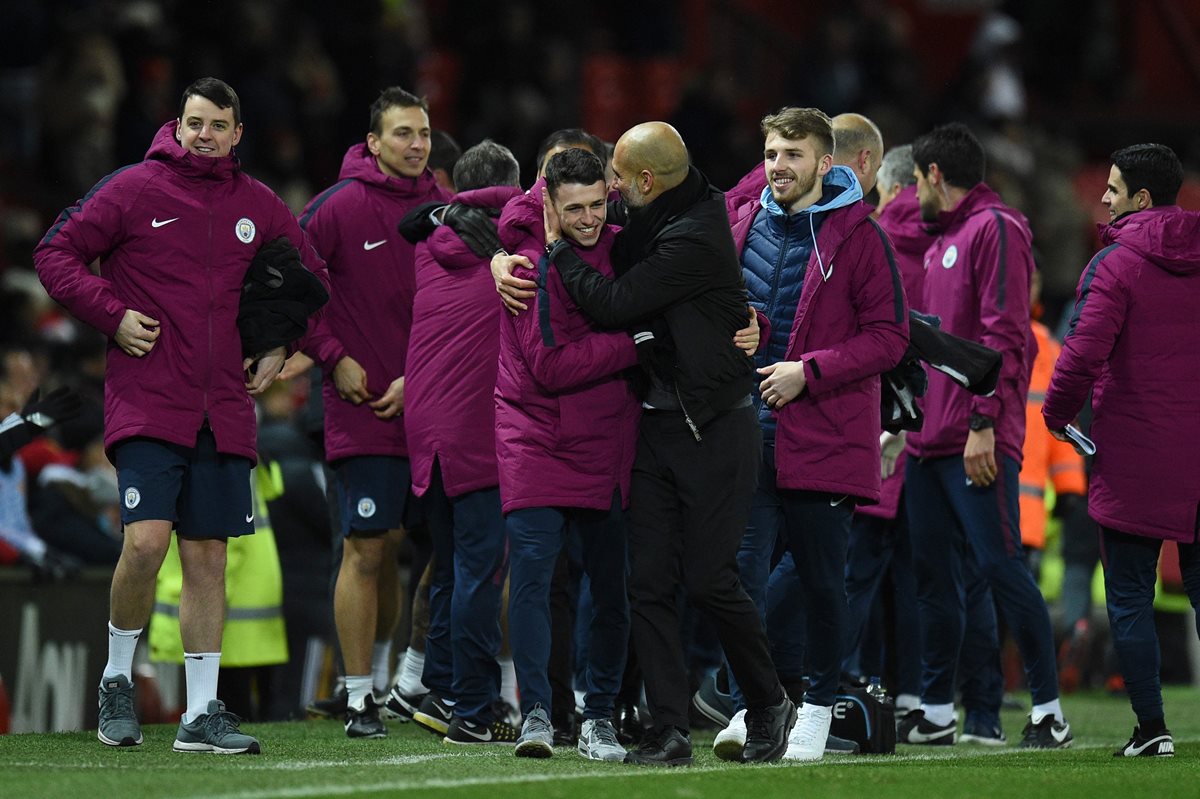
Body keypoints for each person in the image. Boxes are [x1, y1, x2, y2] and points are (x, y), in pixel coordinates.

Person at [34, 76, 328, 754]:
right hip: (147, 397)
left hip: (224, 407)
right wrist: (112, 314)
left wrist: (283, 346)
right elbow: (54, 252)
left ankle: (200, 713)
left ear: (236, 132)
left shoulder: (257, 203)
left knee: (207, 556)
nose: (204, 135)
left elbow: (312, 281)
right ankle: (115, 677)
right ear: (178, 123)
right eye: (194, 122)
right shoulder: (135, 187)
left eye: (217, 125)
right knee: (145, 543)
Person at [504, 121, 795, 766]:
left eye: (614, 182)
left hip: (716, 426)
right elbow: (525, 198)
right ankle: (667, 728)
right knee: (649, 586)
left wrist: (552, 253)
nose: (605, 194)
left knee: (710, 577)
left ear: (641, 182)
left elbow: (614, 304)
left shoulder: (690, 233)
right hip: (658, 424)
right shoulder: (655, 214)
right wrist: (500, 248)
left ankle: (769, 699)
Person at [720, 107, 907, 761]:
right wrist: (745, 334)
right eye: (772, 153)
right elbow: (748, 318)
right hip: (749, 430)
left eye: (793, 155)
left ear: (825, 165)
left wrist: (810, 371)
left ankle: (818, 712)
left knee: (825, 582)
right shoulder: (743, 223)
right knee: (740, 578)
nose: (778, 166)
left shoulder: (860, 237)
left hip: (822, 432)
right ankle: (761, 703)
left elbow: (890, 338)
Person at [901, 122, 1071, 749]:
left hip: (973, 438)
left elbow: (1006, 335)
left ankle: (1049, 711)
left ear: (935, 176)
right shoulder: (946, 238)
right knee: (934, 579)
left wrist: (982, 422)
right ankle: (939, 710)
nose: (915, 191)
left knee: (1001, 570)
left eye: (917, 179)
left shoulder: (997, 228)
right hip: (929, 440)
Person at [297, 86, 449, 738]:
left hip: (436, 406)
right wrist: (335, 358)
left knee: (413, 550)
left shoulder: (449, 210)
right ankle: (359, 694)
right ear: (373, 141)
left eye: (423, 133)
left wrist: (422, 378)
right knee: (365, 547)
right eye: (403, 134)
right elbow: (289, 292)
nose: (417, 145)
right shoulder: (334, 208)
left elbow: (469, 310)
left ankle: (393, 678)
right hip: (361, 408)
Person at [1042, 143, 1200, 758]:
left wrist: (1056, 414)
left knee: (1129, 593)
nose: (1100, 199)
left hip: (1137, 450)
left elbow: (1080, 354)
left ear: (1140, 198)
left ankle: (1152, 729)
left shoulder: (1115, 265)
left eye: (1110, 189)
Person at [496, 148, 637, 761]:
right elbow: (550, 367)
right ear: (547, 202)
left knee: (610, 586)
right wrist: (634, 344)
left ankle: (599, 715)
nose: (587, 219)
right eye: (573, 208)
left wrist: (752, 323)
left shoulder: (629, 247)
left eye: (596, 206)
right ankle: (536, 713)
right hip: (533, 434)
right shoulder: (525, 264)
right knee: (531, 579)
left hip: (606, 437)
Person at [402, 140, 524, 746]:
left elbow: (419, 220)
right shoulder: (516, 245)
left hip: (426, 429)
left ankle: (445, 689)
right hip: (479, 428)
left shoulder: (430, 246)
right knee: (481, 572)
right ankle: (475, 709)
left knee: (450, 567)